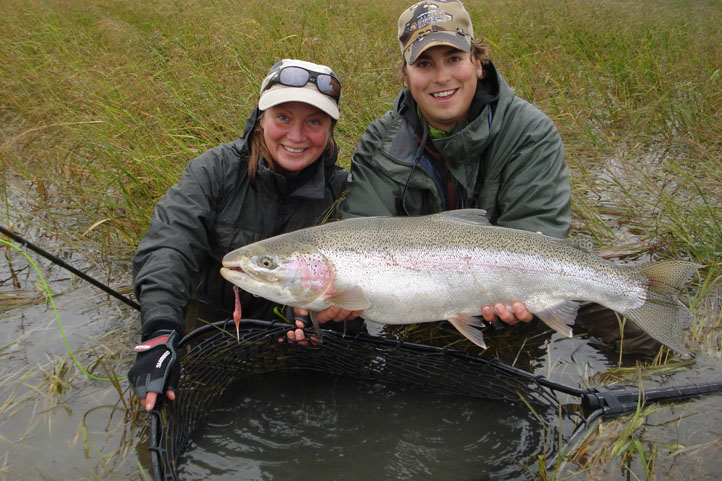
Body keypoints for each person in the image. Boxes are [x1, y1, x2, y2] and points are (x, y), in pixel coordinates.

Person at [288, 0, 572, 344]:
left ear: (478, 64)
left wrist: (525, 298)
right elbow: (360, 228)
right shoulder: (381, 142)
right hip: (425, 305)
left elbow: (538, 229)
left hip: (512, 289)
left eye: (453, 58)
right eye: (424, 63)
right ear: (406, 77)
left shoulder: (528, 132)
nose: (441, 77)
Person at [128, 59, 349, 411]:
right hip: (208, 332)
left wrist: (322, 314)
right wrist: (159, 329)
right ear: (260, 119)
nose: (296, 136)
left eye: (314, 122)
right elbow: (169, 246)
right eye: (282, 118)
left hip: (295, 340)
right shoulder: (214, 171)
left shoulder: (343, 193)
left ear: (330, 130)